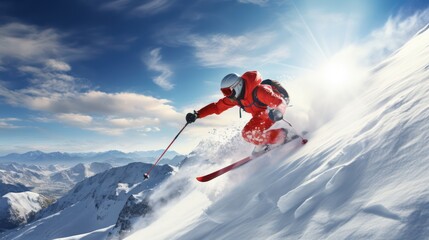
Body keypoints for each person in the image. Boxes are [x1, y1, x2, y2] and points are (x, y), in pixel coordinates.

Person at [186, 71, 289, 154]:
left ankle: (283, 135)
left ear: (237, 86)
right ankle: (267, 141)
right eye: (224, 92)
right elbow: (216, 107)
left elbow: (280, 102)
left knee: (250, 133)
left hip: (271, 111)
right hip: (260, 116)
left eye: (228, 92)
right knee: (247, 134)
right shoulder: (235, 99)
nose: (227, 95)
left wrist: (278, 111)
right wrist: (197, 114)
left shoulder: (259, 91)